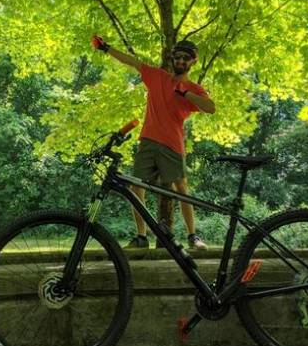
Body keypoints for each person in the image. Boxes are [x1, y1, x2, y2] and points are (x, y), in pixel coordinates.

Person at [91, 35, 215, 250]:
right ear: (173, 59)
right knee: (136, 187)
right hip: (148, 140)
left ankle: (193, 236)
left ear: (193, 62)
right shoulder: (157, 76)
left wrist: (186, 93)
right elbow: (132, 61)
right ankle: (141, 237)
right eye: (178, 57)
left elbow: (210, 108)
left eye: (186, 58)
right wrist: (106, 48)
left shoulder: (194, 89)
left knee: (181, 188)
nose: (181, 61)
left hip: (173, 145)